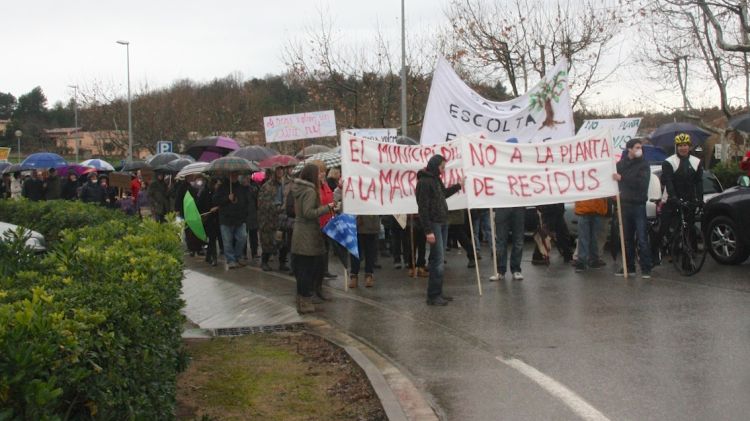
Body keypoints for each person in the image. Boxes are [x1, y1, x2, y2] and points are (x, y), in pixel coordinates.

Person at [416, 154, 464, 306]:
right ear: (435, 165)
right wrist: (428, 230)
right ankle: (433, 296)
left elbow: (443, 194)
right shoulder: (424, 182)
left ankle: (437, 292)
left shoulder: (436, 179)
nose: (443, 170)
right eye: (442, 167)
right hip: (434, 223)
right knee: (438, 260)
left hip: (442, 222)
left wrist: (458, 186)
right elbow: (422, 208)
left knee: (437, 259)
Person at [291, 163, 336, 314]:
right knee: (306, 270)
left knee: (303, 269)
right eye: (318, 173)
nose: (321, 176)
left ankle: (302, 301)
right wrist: (328, 207)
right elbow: (309, 212)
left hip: (300, 233)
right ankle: (305, 302)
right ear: (312, 175)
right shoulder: (310, 191)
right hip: (307, 235)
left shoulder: (300, 188)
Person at [614, 138, 653, 278]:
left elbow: (641, 183)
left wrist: (622, 178)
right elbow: (613, 176)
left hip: (638, 205)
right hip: (625, 205)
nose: (639, 149)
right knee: (627, 238)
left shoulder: (644, 164)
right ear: (629, 149)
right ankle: (629, 267)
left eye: (640, 147)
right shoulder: (621, 164)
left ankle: (646, 268)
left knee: (642, 238)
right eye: (636, 147)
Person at [658, 132, 704, 244]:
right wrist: (673, 197)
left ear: (690, 146)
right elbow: (668, 181)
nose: (683, 148)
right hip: (671, 197)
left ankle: (691, 251)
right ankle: (656, 250)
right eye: (680, 145)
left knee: (690, 227)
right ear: (676, 147)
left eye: (685, 145)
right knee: (665, 226)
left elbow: (698, 182)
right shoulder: (669, 162)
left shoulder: (696, 162)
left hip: (689, 198)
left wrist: (700, 199)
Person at [213, 173, 249, 270]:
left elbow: (244, 201)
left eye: (236, 174)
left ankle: (237, 257)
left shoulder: (241, 187)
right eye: (232, 174)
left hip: (239, 219)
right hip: (226, 219)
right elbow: (215, 201)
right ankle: (231, 260)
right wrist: (227, 198)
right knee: (227, 242)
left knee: (243, 237)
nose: (235, 176)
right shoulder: (222, 187)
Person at [258, 166, 290, 272]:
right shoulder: (267, 186)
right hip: (269, 219)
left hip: (283, 217)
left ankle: (282, 263)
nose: (280, 171)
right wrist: (277, 207)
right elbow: (263, 203)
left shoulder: (286, 184)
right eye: (278, 169)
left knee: (284, 242)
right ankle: (264, 261)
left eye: (281, 169)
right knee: (268, 241)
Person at [489, 207, 525, 281]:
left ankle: (515, 270)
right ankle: (501, 271)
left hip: (517, 206)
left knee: (518, 240)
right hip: (504, 206)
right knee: (501, 241)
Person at [572, 198, 608, 272]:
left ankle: (585, 261)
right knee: (590, 237)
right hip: (595, 208)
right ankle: (590, 260)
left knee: (586, 237)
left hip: (587, 208)